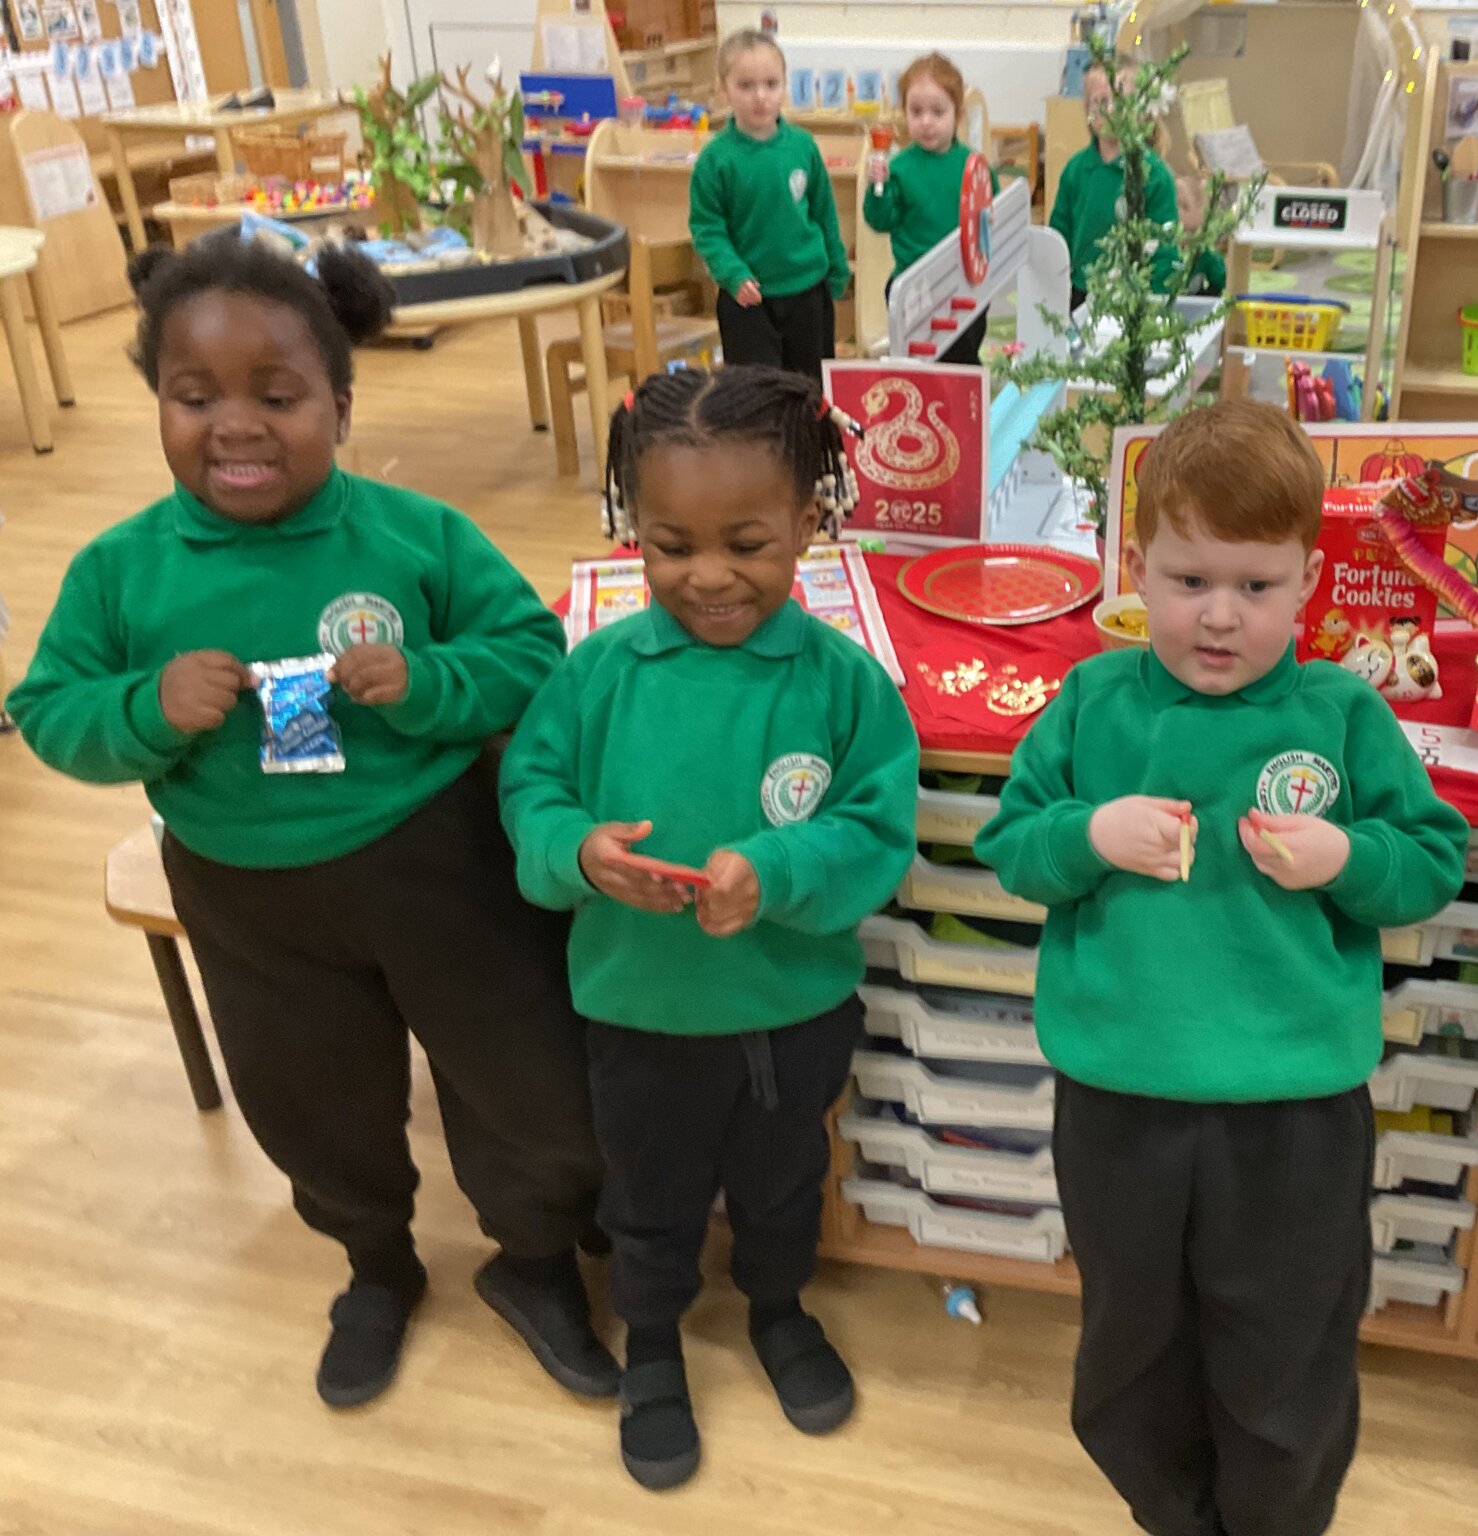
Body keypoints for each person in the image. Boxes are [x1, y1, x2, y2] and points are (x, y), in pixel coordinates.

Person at [7, 237, 614, 1411]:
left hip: (440, 860)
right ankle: (376, 1267)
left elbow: (533, 653)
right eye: (195, 399)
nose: (235, 425)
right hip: (246, 891)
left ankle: (534, 1267)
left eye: (276, 397)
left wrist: (428, 680)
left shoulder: (412, 534)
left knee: (527, 1083)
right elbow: (46, 710)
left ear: (340, 402)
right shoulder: (120, 570)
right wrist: (143, 709)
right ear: (159, 405)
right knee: (307, 1099)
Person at [975, 399, 1470, 1535]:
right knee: (1129, 1352)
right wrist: (1089, 837)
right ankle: (1172, 1515)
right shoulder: (1094, 699)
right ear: (1136, 566)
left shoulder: (1340, 712)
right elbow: (1010, 844)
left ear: (1308, 581)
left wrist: (1346, 856)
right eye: (1190, 580)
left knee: (1285, 1353)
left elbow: (1428, 860)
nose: (1218, 618)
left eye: (1255, 587)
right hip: (1119, 1100)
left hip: (1291, 1109)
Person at [499, 365, 918, 1491]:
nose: (710, 576)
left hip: (792, 1006)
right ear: (632, 530)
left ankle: (777, 1310)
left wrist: (774, 870)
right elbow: (530, 795)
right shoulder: (593, 677)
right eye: (671, 545)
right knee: (648, 1196)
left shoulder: (841, 684)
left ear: (808, 525)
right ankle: (652, 1347)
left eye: (748, 542)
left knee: (784, 1182)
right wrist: (579, 851)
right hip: (639, 1011)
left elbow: (877, 824)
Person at [689, 30, 851, 383]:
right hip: (748, 301)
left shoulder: (803, 146)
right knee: (756, 395)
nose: (760, 96)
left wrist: (838, 269)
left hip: (808, 292)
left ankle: (810, 441)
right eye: (746, 85)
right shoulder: (715, 159)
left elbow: (824, 212)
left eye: (771, 84)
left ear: (784, 85)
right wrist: (732, 273)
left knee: (810, 391)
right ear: (723, 89)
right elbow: (707, 228)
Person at [863, 52, 986, 365]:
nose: (926, 121)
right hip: (914, 285)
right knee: (916, 361)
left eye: (937, 111)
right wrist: (877, 189)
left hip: (963, 281)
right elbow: (879, 221)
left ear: (957, 113)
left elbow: (989, 213)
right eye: (916, 111)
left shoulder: (972, 164)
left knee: (963, 358)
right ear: (904, 112)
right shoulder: (899, 167)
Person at [1048, 56, 1181, 313]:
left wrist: (1158, 300)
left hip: (1136, 295)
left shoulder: (1155, 175)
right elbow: (1059, 235)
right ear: (1087, 110)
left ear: (1142, 110)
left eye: (1120, 101)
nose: (1110, 110)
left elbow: (1165, 247)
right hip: (1082, 291)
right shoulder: (1076, 170)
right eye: (1100, 102)